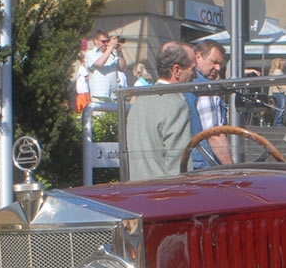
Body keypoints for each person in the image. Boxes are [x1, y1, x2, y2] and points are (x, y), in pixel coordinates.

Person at [123, 42, 200, 180]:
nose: (195, 75)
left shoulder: (140, 100)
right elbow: (179, 166)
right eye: (193, 69)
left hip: (136, 191)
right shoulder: (176, 104)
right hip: (165, 194)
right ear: (176, 70)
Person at [191, 40, 232, 164]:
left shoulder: (186, 83)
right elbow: (214, 135)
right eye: (214, 62)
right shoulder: (205, 89)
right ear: (198, 57)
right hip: (205, 164)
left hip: (189, 162)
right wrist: (232, 169)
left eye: (220, 64)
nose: (218, 68)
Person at [82, 30, 124, 109]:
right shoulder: (90, 54)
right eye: (103, 41)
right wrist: (110, 47)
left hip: (113, 96)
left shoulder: (112, 54)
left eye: (107, 41)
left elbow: (122, 68)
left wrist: (119, 53)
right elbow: (99, 63)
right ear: (95, 41)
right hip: (99, 96)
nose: (105, 43)